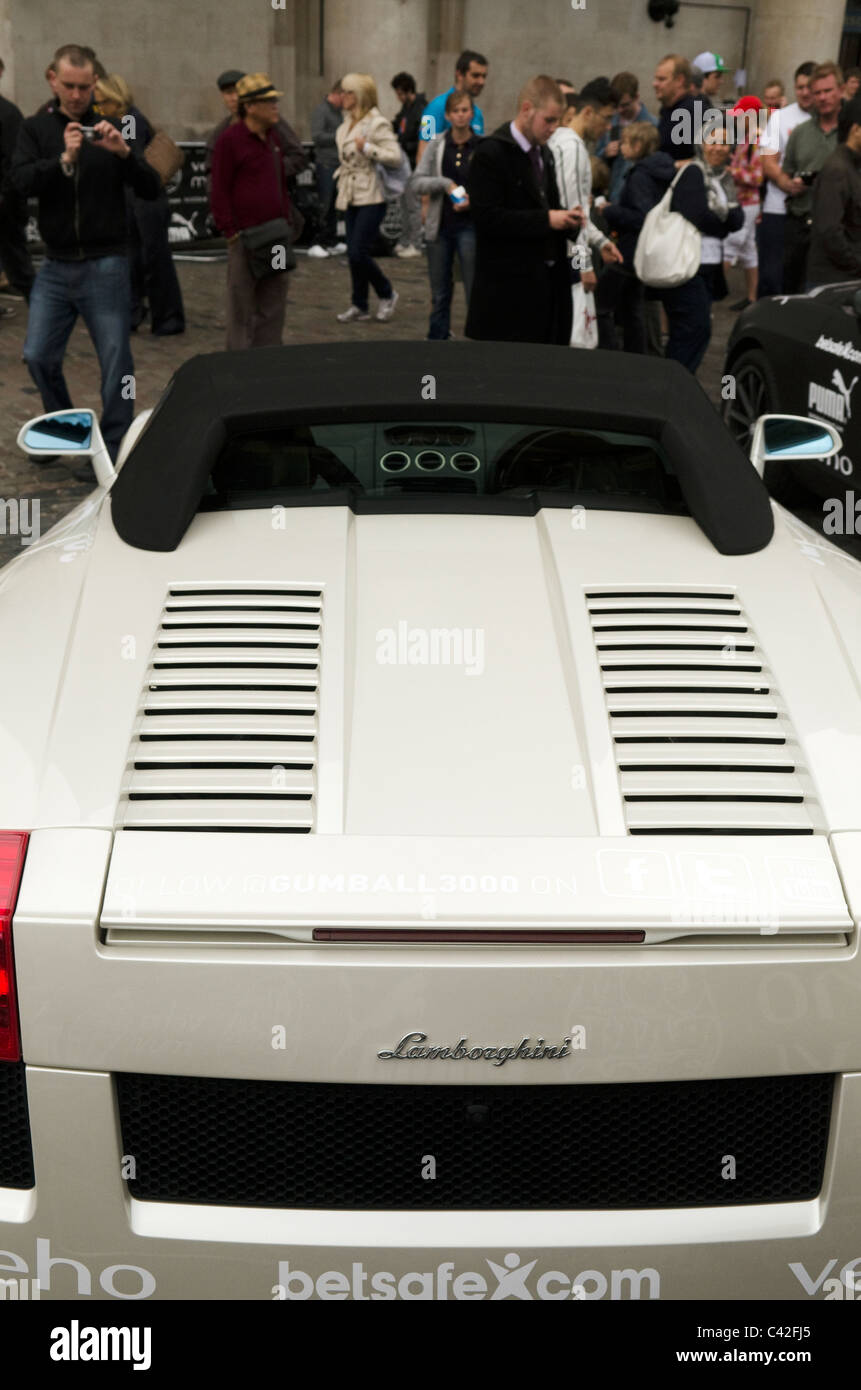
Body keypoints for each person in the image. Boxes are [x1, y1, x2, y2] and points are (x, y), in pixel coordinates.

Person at [11, 43, 160, 464]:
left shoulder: (118, 126)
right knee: (38, 355)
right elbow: (20, 182)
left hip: (107, 263)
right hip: (56, 264)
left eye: (84, 86)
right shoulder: (35, 129)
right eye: (69, 86)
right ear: (52, 79)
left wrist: (124, 154)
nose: (77, 95)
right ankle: (62, 432)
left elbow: (152, 186)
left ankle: (113, 444)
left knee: (118, 363)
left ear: (96, 82)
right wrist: (62, 159)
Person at [465, 75, 583, 344]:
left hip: (547, 286)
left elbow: (547, 206)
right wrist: (548, 220)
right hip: (508, 290)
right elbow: (486, 218)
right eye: (549, 120)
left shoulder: (545, 153)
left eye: (558, 121)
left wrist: (568, 219)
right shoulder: (491, 153)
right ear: (527, 109)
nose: (554, 128)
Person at [210, 73, 297, 350]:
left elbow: (280, 181)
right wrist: (231, 233)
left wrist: (286, 221)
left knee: (275, 301)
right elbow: (219, 189)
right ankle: (238, 365)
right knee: (241, 305)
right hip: (245, 238)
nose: (275, 107)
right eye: (268, 101)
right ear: (250, 107)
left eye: (275, 101)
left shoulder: (274, 137)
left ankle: (267, 362)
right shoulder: (229, 140)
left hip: (277, 236)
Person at [94, 73, 184, 336]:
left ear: (115, 99)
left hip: (146, 199)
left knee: (154, 258)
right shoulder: (121, 120)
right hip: (130, 198)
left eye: (103, 103)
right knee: (132, 257)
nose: (100, 109)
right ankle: (134, 311)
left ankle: (168, 316)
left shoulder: (131, 120)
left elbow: (130, 157)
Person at [656, 131, 742, 373]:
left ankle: (676, 386)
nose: (718, 148)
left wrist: (721, 223)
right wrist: (723, 226)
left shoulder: (724, 178)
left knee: (695, 330)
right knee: (694, 329)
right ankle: (671, 386)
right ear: (701, 144)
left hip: (708, 266)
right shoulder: (694, 172)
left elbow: (738, 218)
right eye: (713, 141)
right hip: (687, 264)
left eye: (725, 142)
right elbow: (697, 215)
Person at [549, 79, 625, 306]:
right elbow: (571, 215)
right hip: (565, 261)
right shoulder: (571, 147)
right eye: (607, 118)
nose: (609, 126)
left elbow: (577, 212)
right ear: (589, 112)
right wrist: (584, 266)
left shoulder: (568, 143)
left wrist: (601, 242)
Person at [411, 89, 480, 339]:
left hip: (470, 225)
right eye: (456, 111)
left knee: (474, 287)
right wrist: (442, 185)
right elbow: (418, 174)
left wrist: (474, 201)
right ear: (448, 115)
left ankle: (476, 336)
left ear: (472, 112)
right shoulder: (433, 118)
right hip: (441, 226)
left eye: (465, 110)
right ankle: (437, 338)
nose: (461, 116)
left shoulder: (481, 144)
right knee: (440, 291)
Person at [600, 122, 675, 352]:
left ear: (638, 144)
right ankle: (637, 355)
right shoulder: (658, 172)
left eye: (625, 142)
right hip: (641, 253)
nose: (621, 147)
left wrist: (609, 210)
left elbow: (642, 216)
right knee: (632, 307)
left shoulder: (640, 176)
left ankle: (609, 352)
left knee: (601, 305)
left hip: (629, 251)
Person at [334, 73, 402, 323]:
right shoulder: (345, 124)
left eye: (348, 92)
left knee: (357, 252)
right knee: (353, 253)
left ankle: (387, 292)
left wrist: (368, 148)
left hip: (372, 193)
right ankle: (359, 304)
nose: (343, 96)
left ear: (360, 95)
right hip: (350, 193)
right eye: (342, 91)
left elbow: (394, 156)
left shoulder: (376, 123)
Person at [781, 62, 843, 293]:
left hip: (839, 230)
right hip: (800, 225)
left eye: (828, 91)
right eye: (817, 92)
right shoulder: (800, 133)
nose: (822, 97)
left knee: (828, 297)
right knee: (792, 294)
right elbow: (787, 172)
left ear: (841, 90)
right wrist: (791, 184)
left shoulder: (853, 132)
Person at [757, 61, 814, 297]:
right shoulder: (781, 118)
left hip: (811, 214)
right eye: (800, 87)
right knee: (772, 276)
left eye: (810, 87)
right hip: (778, 209)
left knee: (801, 281)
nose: (805, 92)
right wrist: (785, 183)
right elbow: (767, 160)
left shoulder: (829, 121)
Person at [807, 95, 861, 288]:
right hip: (833, 282)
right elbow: (830, 231)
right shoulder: (838, 169)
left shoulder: (851, 166)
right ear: (855, 130)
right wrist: (856, 264)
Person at [723, 96, 764, 309]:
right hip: (745, 202)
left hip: (747, 203)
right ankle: (751, 298)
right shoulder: (747, 139)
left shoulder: (756, 141)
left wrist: (733, 171)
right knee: (748, 251)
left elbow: (757, 177)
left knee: (730, 247)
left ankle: (712, 293)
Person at [595, 72, 659, 201]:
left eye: (624, 105)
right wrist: (605, 153)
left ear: (637, 97)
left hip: (637, 199)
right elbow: (596, 158)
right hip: (609, 197)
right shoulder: (609, 122)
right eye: (616, 105)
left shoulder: (653, 126)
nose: (619, 110)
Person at [390, 71, 427, 258]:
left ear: (405, 91)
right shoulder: (406, 109)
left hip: (414, 164)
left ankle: (416, 243)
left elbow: (426, 139)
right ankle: (405, 240)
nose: (397, 97)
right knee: (404, 206)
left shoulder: (423, 109)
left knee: (413, 207)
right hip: (405, 164)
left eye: (398, 92)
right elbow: (397, 125)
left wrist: (404, 145)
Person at [308, 79, 346, 257]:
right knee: (324, 204)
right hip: (326, 164)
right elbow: (317, 136)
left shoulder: (338, 113)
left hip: (337, 164)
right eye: (344, 96)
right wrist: (340, 134)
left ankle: (330, 239)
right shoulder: (321, 111)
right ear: (336, 94)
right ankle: (317, 241)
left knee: (334, 205)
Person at [419, 50, 488, 145]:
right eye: (475, 75)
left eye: (484, 76)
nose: (481, 82)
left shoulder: (477, 113)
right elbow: (423, 149)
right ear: (459, 75)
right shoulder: (434, 107)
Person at [654, 54, 699, 161]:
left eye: (661, 79)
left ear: (679, 80)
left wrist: (675, 166)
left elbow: (705, 159)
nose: (654, 84)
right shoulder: (667, 110)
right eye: (656, 79)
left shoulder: (694, 113)